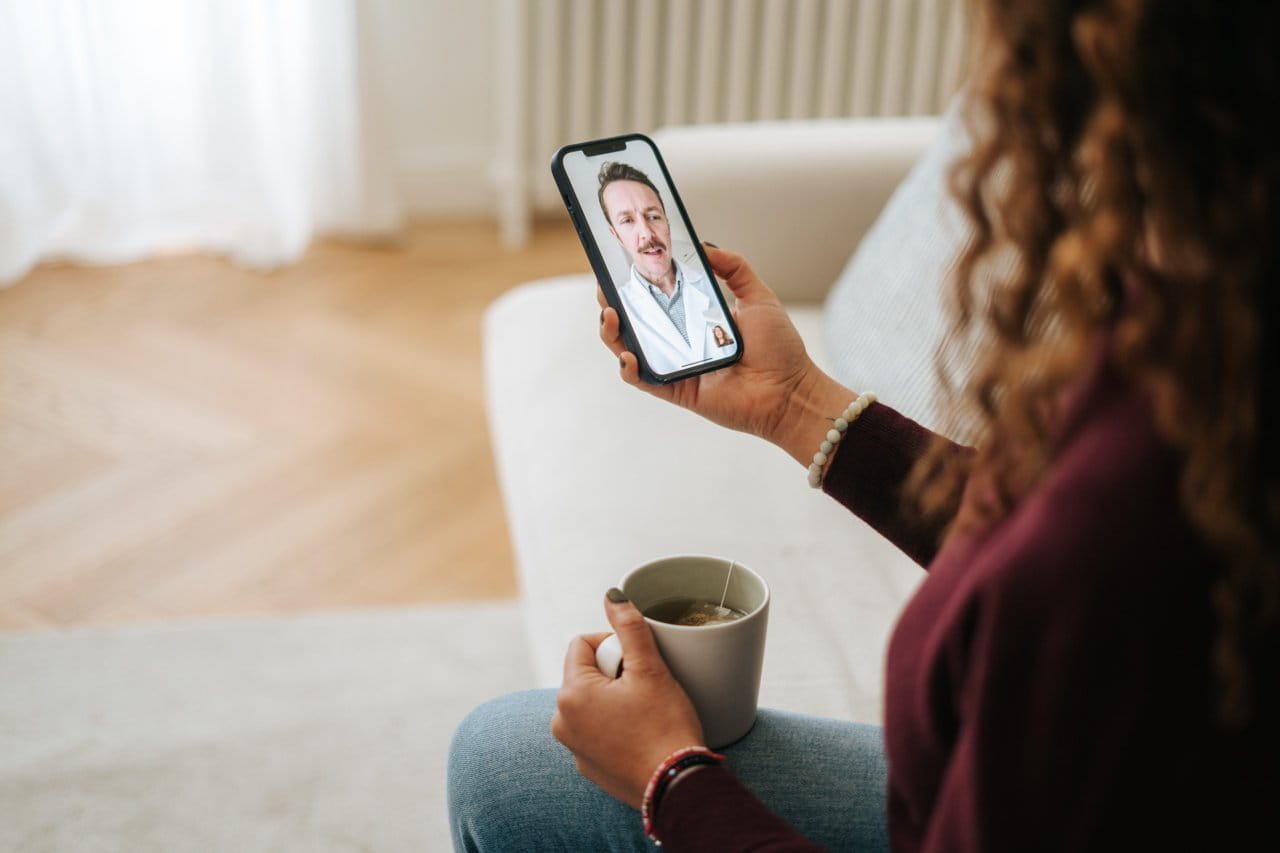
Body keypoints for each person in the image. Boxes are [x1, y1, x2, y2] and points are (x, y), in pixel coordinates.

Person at [448, 0, 1279, 849]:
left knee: (501, 762)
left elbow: (1071, 565)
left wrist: (672, 778)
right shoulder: (1197, 335)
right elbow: (1027, 528)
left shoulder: (1129, 513)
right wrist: (795, 401)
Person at [596, 161, 736, 376]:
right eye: (627, 221)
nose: (647, 234)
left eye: (653, 217)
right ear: (616, 236)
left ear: (667, 222)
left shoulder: (709, 283)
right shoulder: (622, 308)